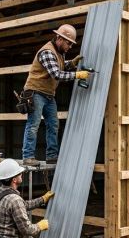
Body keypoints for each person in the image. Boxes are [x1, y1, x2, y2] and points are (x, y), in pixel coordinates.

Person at [21, 24, 89, 166]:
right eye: (68, 43)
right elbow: (56, 74)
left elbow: (59, 66)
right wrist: (77, 75)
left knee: (53, 125)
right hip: (36, 93)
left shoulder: (58, 53)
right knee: (33, 125)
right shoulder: (47, 52)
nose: (70, 46)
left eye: (71, 44)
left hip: (48, 94)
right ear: (59, 38)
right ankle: (28, 157)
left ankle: (52, 156)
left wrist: (71, 63)